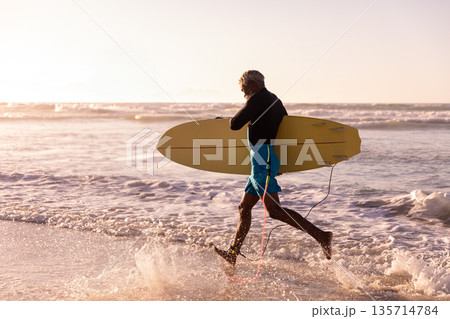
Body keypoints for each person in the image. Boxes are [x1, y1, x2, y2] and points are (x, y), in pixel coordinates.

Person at [214, 70, 333, 265]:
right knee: (244, 208)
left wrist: (227, 120)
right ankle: (233, 254)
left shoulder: (256, 100)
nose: (243, 92)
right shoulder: (275, 100)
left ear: (252, 84)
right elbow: (285, 127)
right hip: (264, 158)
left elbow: (235, 124)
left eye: (243, 88)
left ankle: (322, 236)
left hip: (263, 159)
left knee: (274, 211)